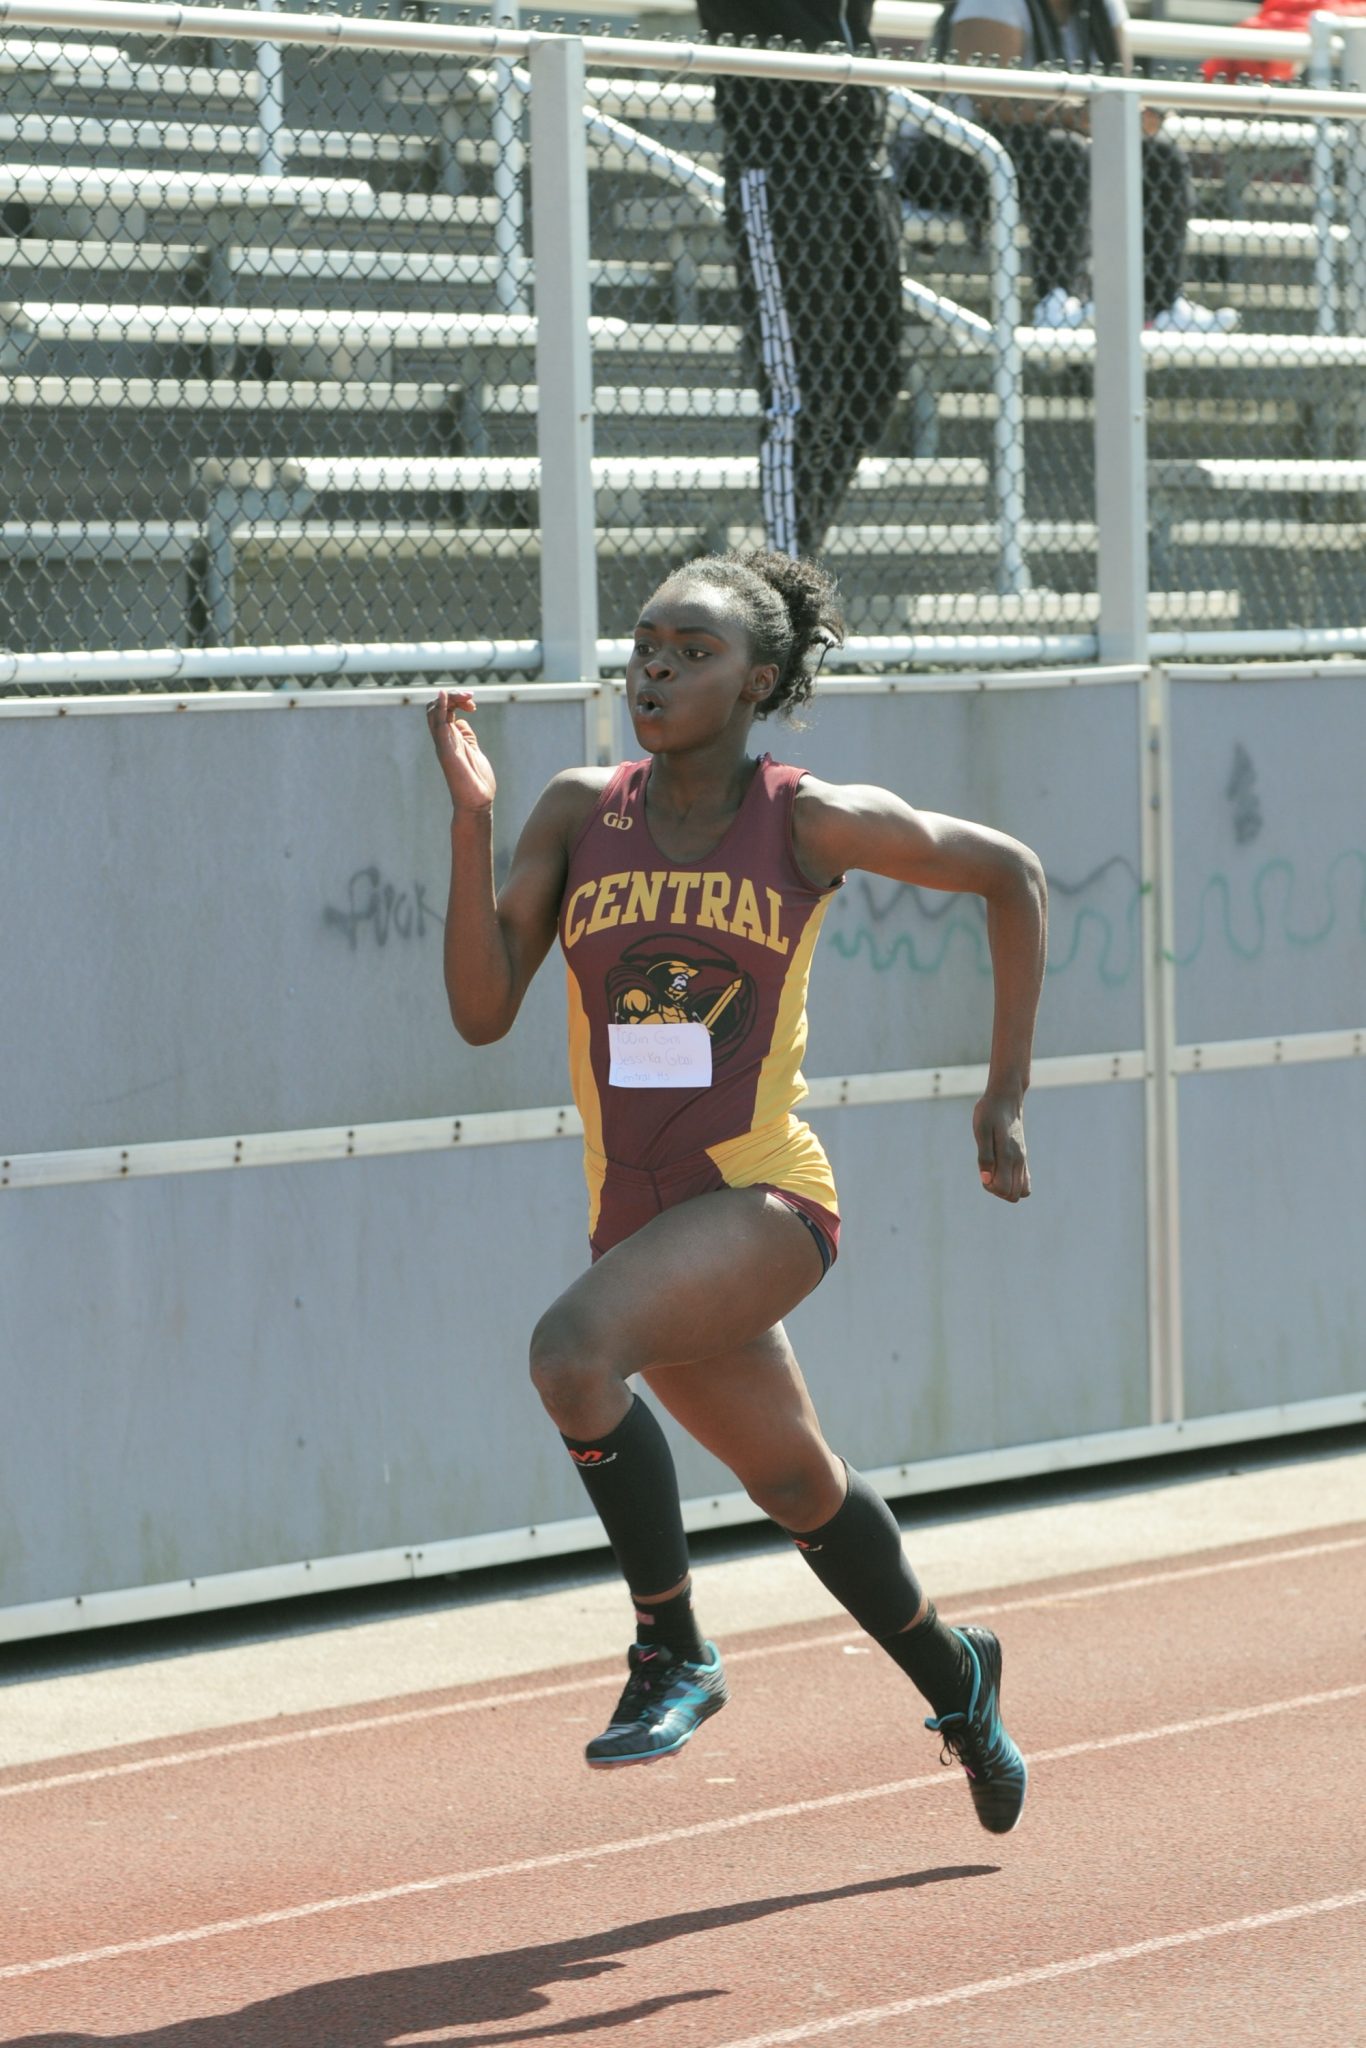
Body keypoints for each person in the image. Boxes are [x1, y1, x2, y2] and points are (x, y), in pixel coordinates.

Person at [426, 548, 1047, 1834]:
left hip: (763, 1199)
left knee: (569, 1352)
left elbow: (1011, 874)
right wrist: (472, 820)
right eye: (644, 641)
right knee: (797, 1485)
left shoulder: (804, 818)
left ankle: (675, 1648)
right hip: (641, 1220)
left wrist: (1002, 1095)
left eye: (690, 650)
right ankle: (958, 1676)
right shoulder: (574, 809)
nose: (652, 664)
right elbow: (482, 1013)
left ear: (757, 679)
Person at [695, 3, 904, 557]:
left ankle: (797, 553)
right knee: (800, 390)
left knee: (874, 382)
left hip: (858, 156)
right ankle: (787, 576)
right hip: (778, 154)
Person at [898, 0, 1239, 332]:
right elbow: (991, 101)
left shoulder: (1104, 7)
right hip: (957, 154)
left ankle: (1161, 306)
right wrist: (1077, 115)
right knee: (1065, 151)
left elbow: (1117, 91)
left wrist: (1141, 116)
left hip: (1055, 154)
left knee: (1159, 157)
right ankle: (1058, 299)